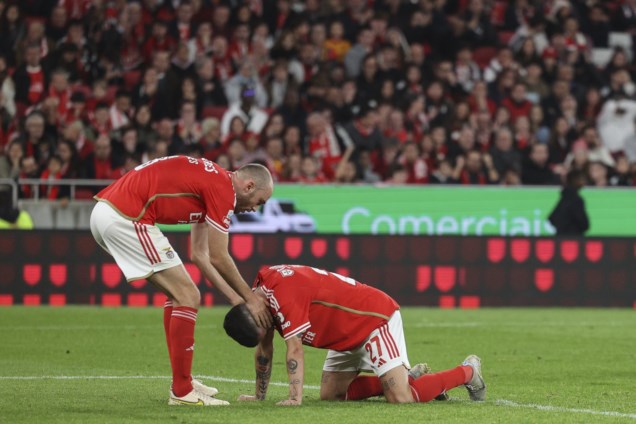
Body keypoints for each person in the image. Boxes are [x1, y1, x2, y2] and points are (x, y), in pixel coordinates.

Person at [89, 155, 274, 406]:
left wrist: (234, 299)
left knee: (180, 295)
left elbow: (200, 255)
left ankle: (182, 380)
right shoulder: (223, 189)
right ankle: (182, 391)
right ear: (249, 186)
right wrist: (251, 299)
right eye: (259, 201)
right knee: (188, 296)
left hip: (110, 212)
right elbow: (220, 256)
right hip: (126, 217)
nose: (255, 208)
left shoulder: (214, 183)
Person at [224, 264, 486, 405]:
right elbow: (265, 348)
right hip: (343, 334)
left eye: (263, 328)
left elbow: (294, 349)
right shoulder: (259, 294)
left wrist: (294, 398)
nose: (268, 331)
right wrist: (259, 396)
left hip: (372, 321)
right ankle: (404, 378)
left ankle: (468, 372)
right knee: (331, 396)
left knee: (401, 398)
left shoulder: (284, 295)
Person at [548, 169, 590, 236]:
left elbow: (552, 218)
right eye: (581, 179)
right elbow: (584, 223)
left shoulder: (565, 197)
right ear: (575, 180)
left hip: (562, 238)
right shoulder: (575, 199)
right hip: (573, 238)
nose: (584, 182)